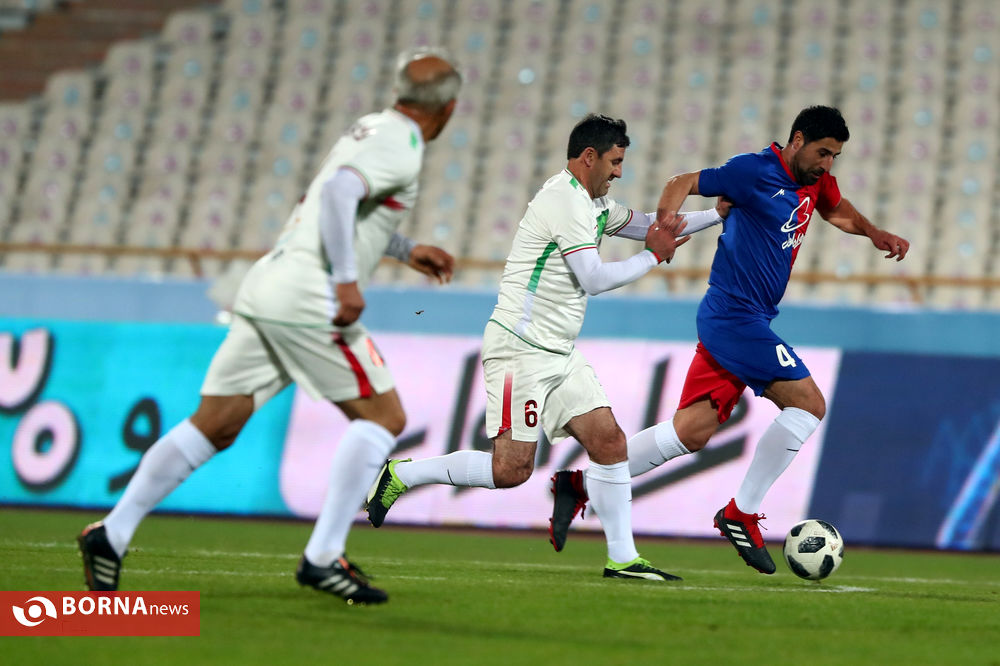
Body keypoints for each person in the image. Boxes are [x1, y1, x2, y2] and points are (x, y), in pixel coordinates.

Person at [77, 47, 464, 605]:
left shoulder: (371, 128)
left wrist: (404, 249)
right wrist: (346, 282)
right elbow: (339, 194)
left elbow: (340, 206)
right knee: (384, 417)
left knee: (216, 422)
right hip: (308, 295)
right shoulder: (402, 144)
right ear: (448, 109)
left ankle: (111, 535)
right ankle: (322, 557)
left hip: (269, 284)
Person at [364, 114, 728, 581]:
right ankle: (401, 475)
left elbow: (650, 225)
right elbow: (593, 278)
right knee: (511, 469)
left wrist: (717, 214)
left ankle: (623, 559)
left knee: (610, 443)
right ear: (589, 157)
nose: (619, 172)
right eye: (615, 162)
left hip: (559, 351)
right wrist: (653, 256)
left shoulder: (594, 203)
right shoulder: (563, 201)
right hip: (520, 349)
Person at [548, 105, 910, 574]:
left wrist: (875, 233)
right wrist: (664, 224)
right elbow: (681, 181)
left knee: (690, 433)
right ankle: (742, 513)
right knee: (808, 405)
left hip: (744, 319)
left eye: (834, 157)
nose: (827, 164)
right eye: (823, 152)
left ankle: (579, 484)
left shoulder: (816, 180)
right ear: (798, 140)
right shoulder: (752, 171)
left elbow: (837, 211)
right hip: (734, 317)